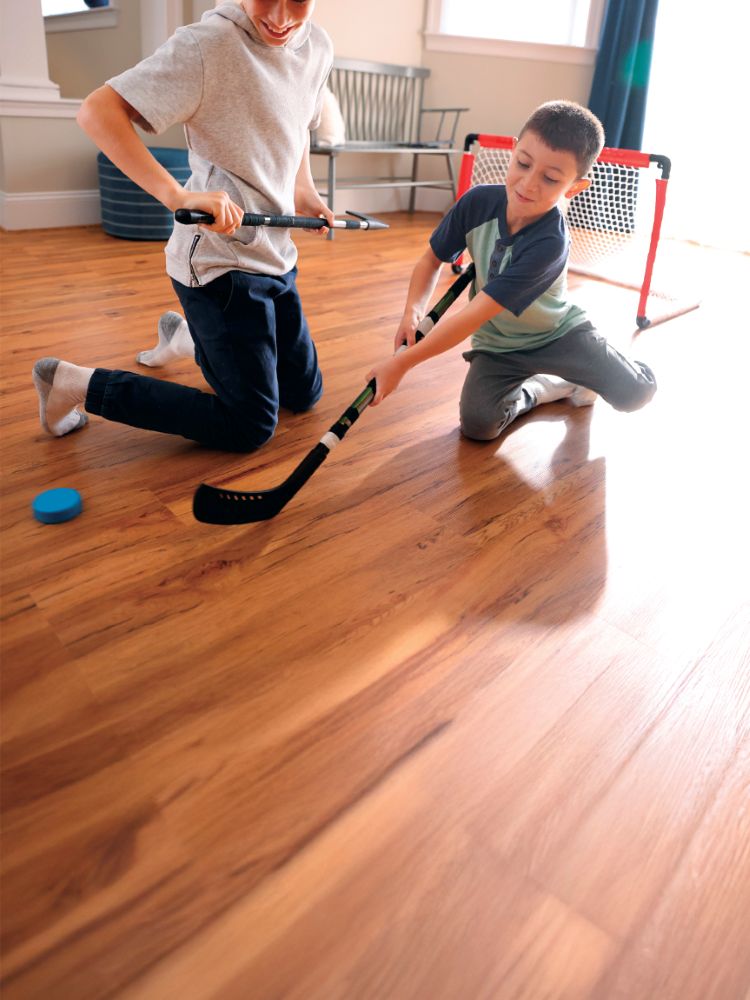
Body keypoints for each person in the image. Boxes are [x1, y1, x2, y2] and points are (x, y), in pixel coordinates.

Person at [33, 0, 334, 452]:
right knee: (250, 425)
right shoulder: (206, 45)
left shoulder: (318, 46)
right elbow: (97, 111)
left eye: (296, 0)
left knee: (304, 393)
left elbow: (297, 126)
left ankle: (189, 338)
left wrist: (303, 191)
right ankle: (73, 383)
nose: (279, 17)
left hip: (276, 255)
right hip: (220, 264)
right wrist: (177, 196)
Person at [366, 100, 657, 442]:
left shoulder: (550, 243)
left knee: (634, 395)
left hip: (557, 335)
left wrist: (402, 364)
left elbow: (472, 316)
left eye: (550, 178)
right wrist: (412, 313)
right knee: (479, 425)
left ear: (574, 187)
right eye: (523, 163)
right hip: (498, 344)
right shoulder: (476, 202)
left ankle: (604, 367)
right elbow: (431, 261)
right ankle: (548, 387)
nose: (528, 184)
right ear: (513, 151)